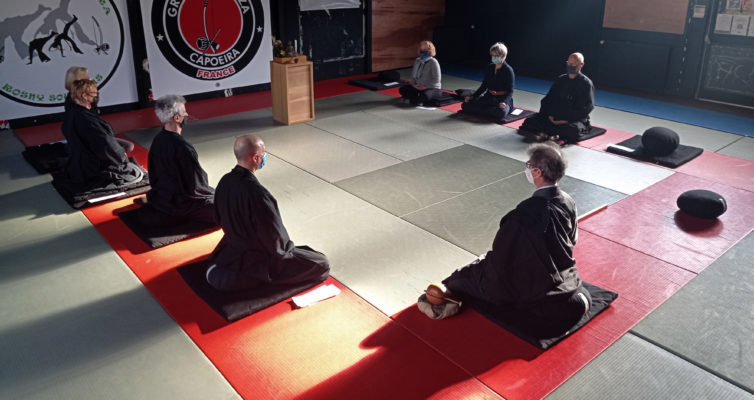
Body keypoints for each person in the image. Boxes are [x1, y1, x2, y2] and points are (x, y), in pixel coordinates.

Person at [438, 143, 590, 337]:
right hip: (569, 283)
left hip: (540, 293)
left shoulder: (525, 213)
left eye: (528, 166)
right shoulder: (568, 200)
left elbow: (501, 261)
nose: (527, 169)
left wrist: (475, 272)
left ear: (536, 172)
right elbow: (571, 241)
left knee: (461, 279)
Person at [206, 134, 330, 292]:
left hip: (228, 251)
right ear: (256, 158)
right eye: (263, 154)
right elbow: (276, 242)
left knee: (305, 254)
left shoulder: (224, 181)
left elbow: (218, 218)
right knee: (321, 263)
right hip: (252, 262)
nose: (265, 157)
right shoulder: (258, 194)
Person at [138, 95, 216, 225]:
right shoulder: (183, 148)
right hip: (181, 203)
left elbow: (154, 176)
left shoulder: (157, 140)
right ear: (177, 118)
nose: (187, 114)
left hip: (161, 197)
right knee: (222, 206)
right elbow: (196, 186)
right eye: (185, 112)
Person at [57, 79, 144, 193]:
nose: (97, 96)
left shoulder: (72, 112)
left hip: (79, 158)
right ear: (84, 96)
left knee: (127, 145)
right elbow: (108, 148)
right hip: (93, 167)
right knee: (133, 169)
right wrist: (122, 157)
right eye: (94, 93)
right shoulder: (89, 121)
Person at [519, 52, 595, 143]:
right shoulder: (561, 79)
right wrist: (550, 115)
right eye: (568, 63)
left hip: (570, 121)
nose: (570, 66)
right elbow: (547, 100)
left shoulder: (586, 84)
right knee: (529, 122)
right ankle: (554, 134)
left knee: (572, 130)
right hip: (554, 117)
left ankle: (549, 133)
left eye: (573, 64)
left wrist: (565, 120)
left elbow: (586, 109)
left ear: (581, 64)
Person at [63, 66, 134, 152]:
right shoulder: (78, 105)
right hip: (88, 138)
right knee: (128, 146)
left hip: (88, 136)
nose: (90, 78)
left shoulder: (73, 98)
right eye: (87, 77)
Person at [460, 42, 515, 122]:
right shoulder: (490, 67)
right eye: (492, 55)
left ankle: (489, 110)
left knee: (500, 113)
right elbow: (484, 86)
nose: (493, 57)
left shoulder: (508, 71)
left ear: (503, 56)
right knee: (465, 105)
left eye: (496, 56)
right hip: (489, 97)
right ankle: (488, 110)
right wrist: (473, 96)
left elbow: (510, 91)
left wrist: (504, 102)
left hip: (501, 100)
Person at [398, 40, 442, 105]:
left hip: (431, 87)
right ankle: (416, 99)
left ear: (430, 51)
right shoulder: (417, 60)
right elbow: (413, 75)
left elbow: (437, 79)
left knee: (425, 95)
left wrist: (426, 87)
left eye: (425, 50)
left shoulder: (433, 62)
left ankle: (413, 100)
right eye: (421, 50)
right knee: (402, 89)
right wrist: (414, 85)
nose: (422, 52)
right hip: (418, 86)